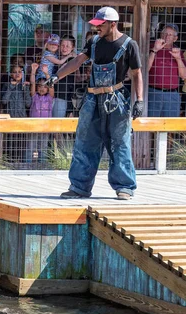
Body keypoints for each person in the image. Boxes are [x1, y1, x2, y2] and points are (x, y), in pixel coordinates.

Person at [46, 6, 143, 200]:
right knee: (84, 143)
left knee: (119, 142)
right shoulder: (94, 42)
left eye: (101, 24)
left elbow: (136, 74)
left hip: (116, 100)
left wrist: (139, 100)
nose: (97, 27)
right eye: (96, 24)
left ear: (113, 24)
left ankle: (124, 187)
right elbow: (77, 62)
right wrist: (56, 77)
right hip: (91, 99)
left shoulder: (129, 44)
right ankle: (79, 187)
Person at [147, 23, 186, 117]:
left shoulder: (177, 51)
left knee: (170, 127)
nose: (167, 37)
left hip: (172, 95)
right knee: (150, 125)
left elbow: (183, 76)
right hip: (153, 92)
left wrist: (178, 59)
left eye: (170, 35)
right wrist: (154, 50)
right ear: (161, 35)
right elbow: (145, 70)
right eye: (165, 34)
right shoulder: (151, 47)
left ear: (175, 38)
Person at [29, 63, 54, 161]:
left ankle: (42, 161)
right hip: (33, 123)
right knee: (31, 143)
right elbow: (32, 84)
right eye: (39, 86)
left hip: (45, 124)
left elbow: (51, 85)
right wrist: (33, 71)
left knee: (43, 144)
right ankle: (28, 161)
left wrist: (46, 73)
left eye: (44, 86)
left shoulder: (49, 97)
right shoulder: (34, 96)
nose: (41, 88)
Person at [52, 35, 77, 117]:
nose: (64, 48)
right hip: (52, 96)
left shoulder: (72, 60)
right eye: (62, 45)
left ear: (72, 47)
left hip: (63, 97)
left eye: (67, 46)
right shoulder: (56, 58)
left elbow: (57, 77)